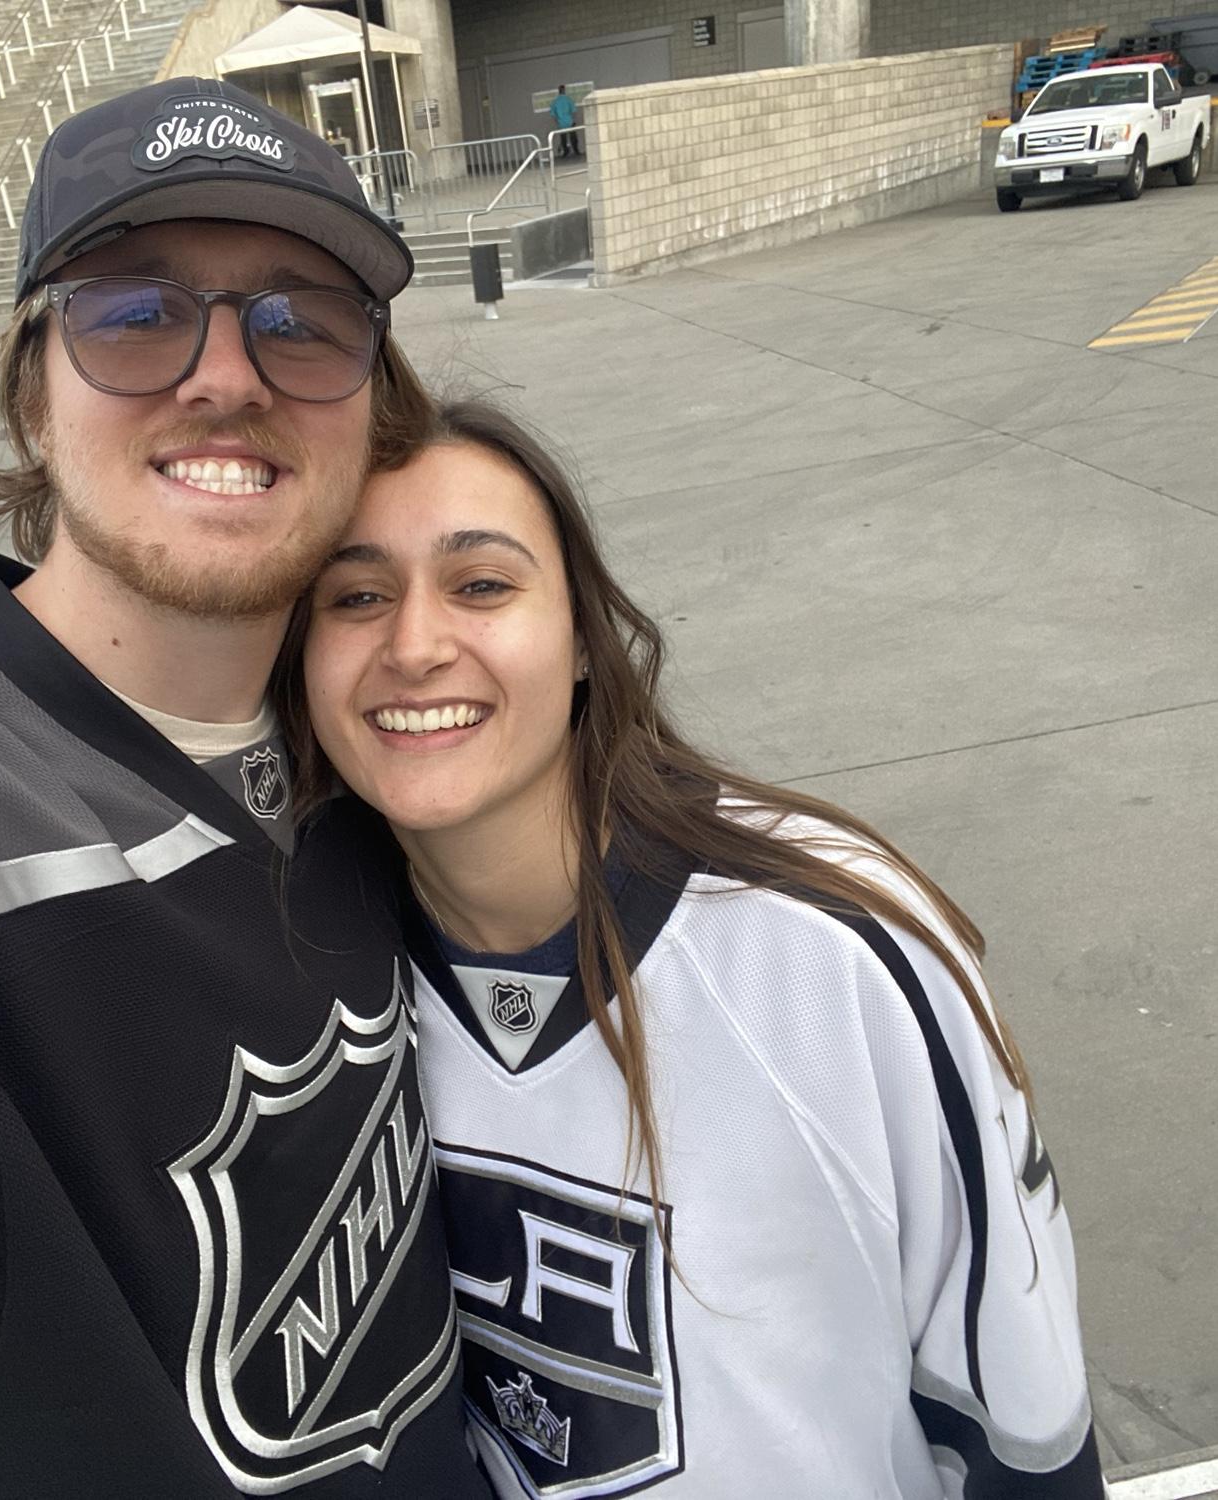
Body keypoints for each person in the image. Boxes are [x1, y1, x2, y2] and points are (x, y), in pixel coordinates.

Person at [0, 80, 494, 1498]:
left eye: (302, 319)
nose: (227, 374)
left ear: (370, 410)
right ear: (31, 387)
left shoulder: (381, 747)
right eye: (133, 312)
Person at [284, 401, 1106, 1498]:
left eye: (482, 584)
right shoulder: (311, 988)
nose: (417, 644)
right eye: (356, 596)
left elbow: (1027, 1439)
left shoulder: (838, 950)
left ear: (580, 637)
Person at [549, 84, 578, 157]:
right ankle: (576, 150)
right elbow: (573, 111)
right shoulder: (569, 100)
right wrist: (572, 119)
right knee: (573, 138)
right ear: (564, 90)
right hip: (570, 122)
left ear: (558, 91)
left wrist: (557, 122)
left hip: (561, 123)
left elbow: (553, 114)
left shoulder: (555, 102)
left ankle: (566, 152)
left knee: (563, 139)